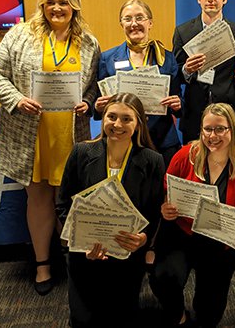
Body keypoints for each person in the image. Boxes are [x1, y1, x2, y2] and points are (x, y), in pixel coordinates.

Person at [0, 0, 100, 295]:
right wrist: (17, 100)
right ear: (42, 5)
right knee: (38, 200)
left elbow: (93, 86)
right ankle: (42, 264)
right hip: (31, 135)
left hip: (71, 135)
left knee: (71, 201)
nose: (57, 8)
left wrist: (88, 102)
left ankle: (73, 261)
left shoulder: (89, 42)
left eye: (63, 2)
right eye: (51, 2)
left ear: (73, 6)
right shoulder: (20, 35)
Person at [57, 93, 165, 327]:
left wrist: (144, 238)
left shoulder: (153, 161)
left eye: (126, 119)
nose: (117, 125)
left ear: (138, 125)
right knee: (84, 320)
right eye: (111, 117)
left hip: (126, 255)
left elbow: (154, 211)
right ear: (102, 118)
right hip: (85, 256)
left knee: (121, 318)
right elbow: (63, 204)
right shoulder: (81, 153)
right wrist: (81, 242)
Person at [150, 103, 235, 327]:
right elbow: (166, 189)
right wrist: (165, 207)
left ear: (233, 130)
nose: (213, 136)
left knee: (210, 312)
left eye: (220, 129)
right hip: (183, 233)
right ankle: (179, 316)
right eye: (207, 129)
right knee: (163, 279)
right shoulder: (186, 155)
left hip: (221, 242)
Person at [95, 0, 182, 168]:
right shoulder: (107, 59)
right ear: (121, 24)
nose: (134, 24)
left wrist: (177, 104)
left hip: (162, 141)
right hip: (121, 139)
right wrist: (99, 107)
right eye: (128, 19)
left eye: (139, 18)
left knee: (161, 193)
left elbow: (179, 101)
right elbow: (98, 107)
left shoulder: (167, 58)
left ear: (150, 23)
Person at [173, 0, 235, 144]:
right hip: (194, 116)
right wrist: (187, 70)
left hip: (228, 115)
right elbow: (175, 75)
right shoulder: (182, 32)